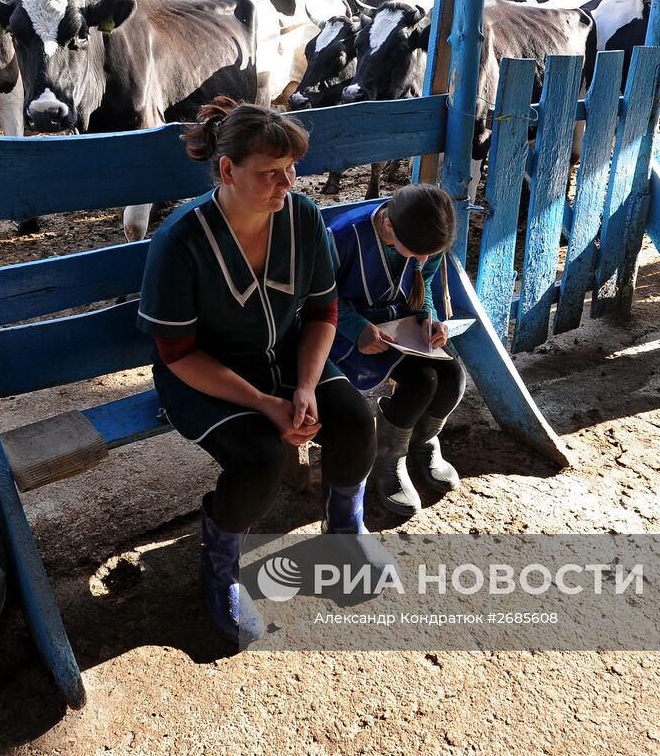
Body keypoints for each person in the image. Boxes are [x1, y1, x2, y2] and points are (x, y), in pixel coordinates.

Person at [137, 97, 383, 646]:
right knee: (263, 459)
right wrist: (266, 404)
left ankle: (345, 531)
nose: (286, 183)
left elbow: (323, 312)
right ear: (227, 170)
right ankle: (220, 568)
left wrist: (302, 386)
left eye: (291, 169)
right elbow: (178, 355)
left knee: (354, 419)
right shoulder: (181, 241)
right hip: (205, 377)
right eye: (270, 173)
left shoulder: (303, 218)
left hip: (289, 360)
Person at [326, 184, 467, 517]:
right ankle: (389, 458)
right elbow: (320, 297)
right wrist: (357, 329)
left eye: (427, 254)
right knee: (422, 382)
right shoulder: (342, 236)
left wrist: (428, 319)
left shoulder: (424, 242)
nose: (421, 260)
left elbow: (425, 286)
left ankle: (423, 443)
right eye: (415, 252)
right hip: (348, 330)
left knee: (452, 378)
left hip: (398, 326)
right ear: (388, 225)